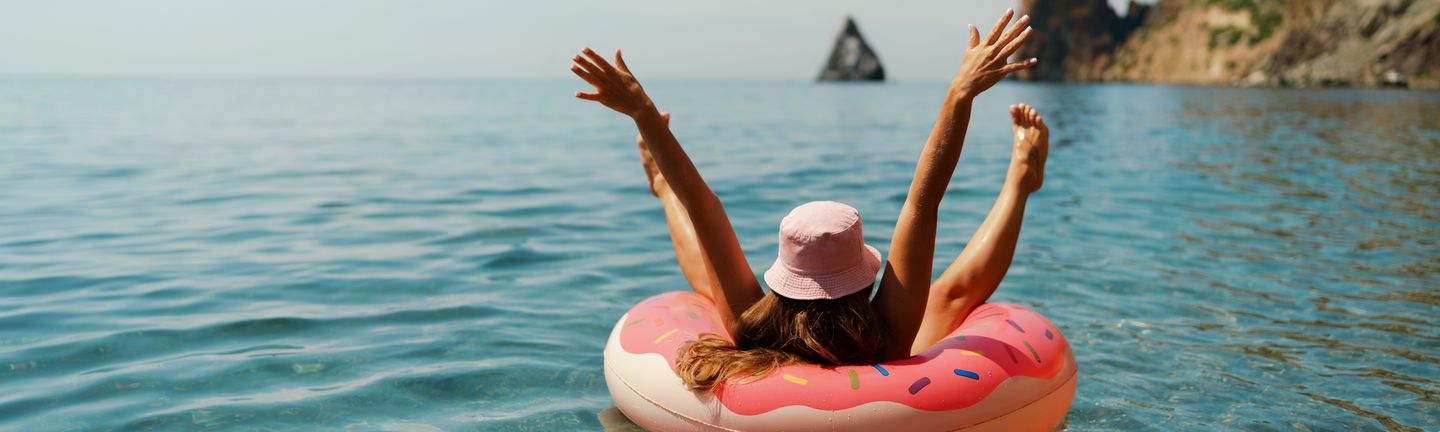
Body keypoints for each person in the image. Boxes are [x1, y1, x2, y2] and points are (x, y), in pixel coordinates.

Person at [570, 9, 1049, 392]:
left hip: (764, 336)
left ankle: (659, 187)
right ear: (863, 275)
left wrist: (643, 113)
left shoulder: (751, 329)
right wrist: (959, 94)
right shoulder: (889, 332)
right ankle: (1019, 184)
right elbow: (923, 203)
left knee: (710, 277)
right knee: (949, 295)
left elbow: (703, 207)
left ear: (785, 278)